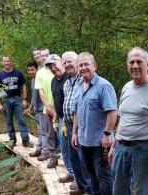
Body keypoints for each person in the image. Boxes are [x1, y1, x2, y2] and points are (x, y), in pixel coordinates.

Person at [109, 47, 148, 195]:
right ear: (127, 65)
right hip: (121, 148)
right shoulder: (126, 87)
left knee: (142, 191)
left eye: (139, 62)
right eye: (131, 62)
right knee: (118, 190)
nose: (135, 66)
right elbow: (123, 119)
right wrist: (114, 146)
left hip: (144, 149)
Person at [72, 52, 117, 195]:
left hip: (100, 143)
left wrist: (107, 134)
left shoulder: (104, 86)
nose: (83, 67)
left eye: (86, 64)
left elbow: (112, 112)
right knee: (91, 176)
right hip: (83, 141)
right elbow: (76, 113)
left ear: (94, 66)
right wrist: (74, 133)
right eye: (80, 65)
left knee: (104, 177)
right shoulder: (78, 87)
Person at [62, 51, 91, 195]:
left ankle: (88, 189)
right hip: (69, 125)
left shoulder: (84, 80)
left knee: (84, 160)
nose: (67, 65)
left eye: (69, 61)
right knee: (73, 159)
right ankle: (81, 186)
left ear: (77, 62)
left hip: (81, 126)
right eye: (65, 62)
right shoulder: (67, 83)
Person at [0, 55, 32, 147]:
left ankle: (25, 140)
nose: (6, 63)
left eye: (8, 61)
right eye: (4, 61)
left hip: (17, 99)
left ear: (11, 61)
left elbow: (23, 86)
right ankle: (12, 140)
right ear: (2, 63)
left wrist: (24, 99)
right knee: (9, 121)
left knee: (21, 120)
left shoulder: (18, 73)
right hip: (6, 100)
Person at [49, 55, 74, 183]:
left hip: (72, 119)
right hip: (60, 118)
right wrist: (55, 117)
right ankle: (71, 172)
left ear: (61, 63)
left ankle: (79, 177)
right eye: (50, 66)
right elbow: (56, 100)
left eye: (55, 64)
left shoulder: (69, 78)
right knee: (64, 148)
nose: (53, 68)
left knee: (74, 148)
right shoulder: (53, 81)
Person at [35, 53, 60, 168]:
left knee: (62, 135)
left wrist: (55, 107)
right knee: (50, 134)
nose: (44, 57)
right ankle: (53, 157)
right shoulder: (40, 73)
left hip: (60, 108)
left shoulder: (57, 71)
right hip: (47, 108)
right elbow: (41, 91)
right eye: (42, 55)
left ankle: (63, 157)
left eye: (47, 55)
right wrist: (49, 107)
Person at [23, 61, 45, 157]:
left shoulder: (41, 79)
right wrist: (30, 108)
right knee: (40, 130)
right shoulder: (32, 81)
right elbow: (33, 96)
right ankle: (39, 149)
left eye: (32, 69)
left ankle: (45, 151)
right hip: (36, 110)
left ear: (37, 69)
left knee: (44, 131)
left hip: (43, 110)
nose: (31, 71)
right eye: (29, 70)